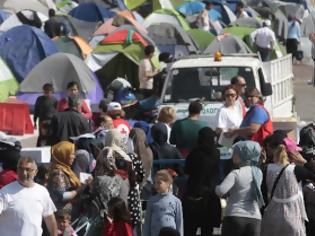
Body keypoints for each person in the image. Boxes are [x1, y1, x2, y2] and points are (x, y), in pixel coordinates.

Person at [260, 143, 315, 236]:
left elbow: (263, 193)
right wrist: (305, 163)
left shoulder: (267, 168)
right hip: (292, 217)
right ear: (292, 156)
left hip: (271, 217)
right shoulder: (295, 170)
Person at [216, 141, 264, 236]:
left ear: (243, 155)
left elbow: (221, 191)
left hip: (234, 216)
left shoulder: (236, 173)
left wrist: (215, 187)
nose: (232, 155)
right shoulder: (258, 173)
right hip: (254, 218)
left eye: (235, 153)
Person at [0, 156, 58, 236]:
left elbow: (50, 218)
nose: (24, 173)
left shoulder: (42, 191)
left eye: (28, 170)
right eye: (21, 169)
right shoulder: (5, 192)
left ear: (35, 172)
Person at [184, 127, 221, 236]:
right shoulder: (216, 153)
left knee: (190, 228)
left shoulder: (194, 153)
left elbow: (187, 170)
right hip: (210, 195)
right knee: (207, 229)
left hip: (194, 194)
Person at [48, 141, 84, 214]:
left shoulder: (66, 169)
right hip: (62, 216)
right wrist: (79, 189)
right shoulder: (58, 173)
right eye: (72, 154)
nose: (74, 157)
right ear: (64, 155)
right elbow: (63, 196)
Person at [143, 169, 183, 236]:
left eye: (159, 183)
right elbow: (147, 222)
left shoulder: (176, 201)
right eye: (155, 183)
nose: (156, 186)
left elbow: (179, 222)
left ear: (168, 183)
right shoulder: (152, 201)